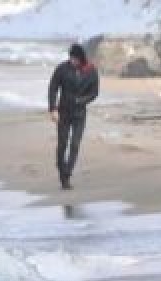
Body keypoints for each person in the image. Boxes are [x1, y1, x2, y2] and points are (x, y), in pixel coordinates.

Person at [47, 43, 100, 190]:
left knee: (75, 145)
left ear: (81, 58)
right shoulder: (62, 68)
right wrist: (52, 109)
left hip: (80, 113)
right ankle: (61, 170)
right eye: (70, 57)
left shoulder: (91, 71)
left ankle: (67, 174)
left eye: (75, 58)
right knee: (62, 145)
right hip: (63, 112)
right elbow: (53, 87)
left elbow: (94, 93)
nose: (72, 61)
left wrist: (81, 100)